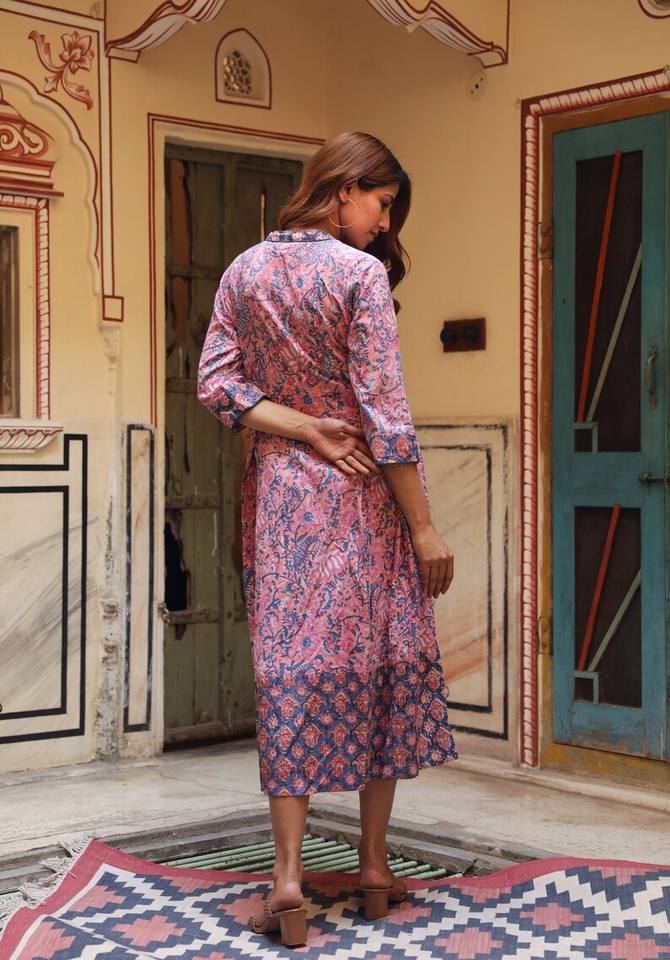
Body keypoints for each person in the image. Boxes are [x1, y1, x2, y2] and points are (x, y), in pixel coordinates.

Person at [197, 131, 457, 947]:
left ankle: (286, 882)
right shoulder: (359, 275)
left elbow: (216, 384)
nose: (385, 223)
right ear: (344, 189)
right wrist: (423, 526)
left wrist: (300, 427)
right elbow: (386, 413)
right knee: (379, 663)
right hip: (358, 497)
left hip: (278, 496)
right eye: (382, 203)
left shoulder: (244, 269)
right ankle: (373, 866)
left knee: (289, 671)